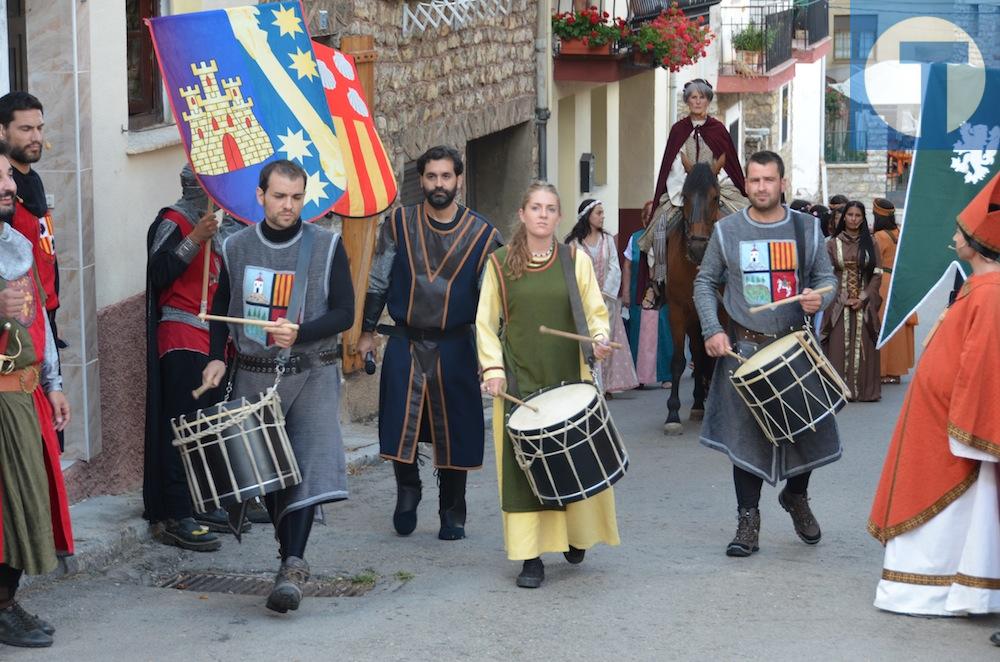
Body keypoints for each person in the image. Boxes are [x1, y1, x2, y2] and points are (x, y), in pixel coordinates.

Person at [201, 159, 354, 613]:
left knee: (305, 467)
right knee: (267, 474)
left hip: (312, 372)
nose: (288, 206)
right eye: (280, 196)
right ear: (261, 196)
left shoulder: (326, 245)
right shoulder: (235, 246)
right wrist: (214, 357)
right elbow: (219, 307)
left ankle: (292, 564)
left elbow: (345, 312)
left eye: (296, 197)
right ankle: (285, 553)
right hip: (253, 374)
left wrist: (301, 332)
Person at [693, 151, 840, 558]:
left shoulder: (806, 228)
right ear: (748, 185)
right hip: (744, 350)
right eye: (754, 181)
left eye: (768, 180)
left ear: (782, 182)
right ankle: (747, 520)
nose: (760, 188)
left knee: (806, 433)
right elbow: (704, 283)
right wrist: (712, 329)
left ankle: (796, 496)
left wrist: (819, 296)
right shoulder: (727, 231)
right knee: (746, 438)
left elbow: (828, 281)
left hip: (796, 346)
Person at [868, 171, 1000, 618]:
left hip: (952, 428)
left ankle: (945, 589)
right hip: (938, 421)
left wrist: (967, 425)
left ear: (976, 243)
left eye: (960, 231)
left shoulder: (990, 294)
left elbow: (981, 366)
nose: (954, 236)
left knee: (955, 522)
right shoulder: (979, 287)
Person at [477, 181, 620, 588]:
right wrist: (492, 370)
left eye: (550, 208)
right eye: (535, 207)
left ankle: (575, 536)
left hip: (567, 374)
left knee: (573, 459)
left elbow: (595, 312)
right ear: (522, 214)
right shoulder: (498, 263)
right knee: (524, 468)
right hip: (519, 378)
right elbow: (485, 324)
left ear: (559, 217)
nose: (542, 214)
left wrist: (599, 339)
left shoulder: (574, 261)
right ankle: (530, 556)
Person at [357, 146, 501, 542]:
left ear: (459, 180)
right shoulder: (398, 223)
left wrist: (492, 357)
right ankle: (408, 491)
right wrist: (367, 332)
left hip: (456, 344)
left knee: (455, 429)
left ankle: (452, 509)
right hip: (407, 341)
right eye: (431, 177)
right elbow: (378, 280)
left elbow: (493, 303)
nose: (439, 184)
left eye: (446, 177)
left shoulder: (484, 235)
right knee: (399, 423)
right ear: (421, 180)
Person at [143, 165, 250, 552]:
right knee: (181, 428)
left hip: (211, 340)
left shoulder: (221, 225)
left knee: (206, 427)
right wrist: (194, 239)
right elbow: (160, 273)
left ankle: (199, 501)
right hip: (181, 333)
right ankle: (176, 513)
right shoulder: (174, 220)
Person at [0, 140, 73, 648]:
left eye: (8, 175)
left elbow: (40, 317)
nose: (10, 184)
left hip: (27, 398)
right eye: (1, 177)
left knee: (29, 503)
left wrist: (54, 382)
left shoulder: (15, 243)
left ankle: (5, 601)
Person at [640, 78, 747, 288]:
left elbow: (728, 164)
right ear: (687, 101)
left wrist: (714, 181)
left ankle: (743, 276)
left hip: (715, 187)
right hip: (682, 188)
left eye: (702, 97)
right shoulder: (678, 130)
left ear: (708, 101)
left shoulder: (719, 130)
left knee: (744, 218)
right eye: (693, 97)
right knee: (658, 226)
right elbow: (672, 164)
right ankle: (657, 282)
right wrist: (685, 185)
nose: (697, 102)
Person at [0, 93, 59, 344]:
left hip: (46, 313)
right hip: (15, 324)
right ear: (2, 131)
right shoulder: (4, 196)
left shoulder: (32, 180)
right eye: (26, 129)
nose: (36, 137)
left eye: (39, 128)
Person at [565, 198, 638, 395]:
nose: (602, 216)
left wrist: (606, 293)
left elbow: (615, 267)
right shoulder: (574, 243)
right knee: (586, 341)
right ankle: (588, 384)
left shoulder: (607, 240)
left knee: (605, 341)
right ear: (587, 216)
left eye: (602, 212)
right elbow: (570, 271)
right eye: (599, 212)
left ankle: (605, 385)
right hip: (583, 303)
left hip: (606, 302)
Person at [820, 200, 882, 402]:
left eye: (858, 216)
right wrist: (841, 297)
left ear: (863, 219)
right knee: (837, 345)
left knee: (864, 343)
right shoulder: (832, 243)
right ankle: (839, 391)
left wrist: (863, 298)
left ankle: (864, 391)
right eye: (850, 215)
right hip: (838, 304)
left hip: (864, 303)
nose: (853, 219)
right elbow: (825, 275)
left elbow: (877, 274)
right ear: (843, 217)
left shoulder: (871, 243)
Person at [622, 201, 673, 388]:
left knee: (664, 332)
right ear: (643, 218)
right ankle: (639, 377)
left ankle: (666, 374)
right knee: (638, 333)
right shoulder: (634, 238)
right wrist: (625, 292)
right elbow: (627, 266)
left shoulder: (666, 237)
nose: (650, 218)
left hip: (662, 292)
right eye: (647, 215)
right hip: (639, 292)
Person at [871, 198, 917, 384]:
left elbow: (875, 262)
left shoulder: (880, 237)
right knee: (898, 327)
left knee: (883, 325)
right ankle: (896, 370)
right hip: (901, 282)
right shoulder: (901, 232)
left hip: (885, 282)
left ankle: (884, 370)